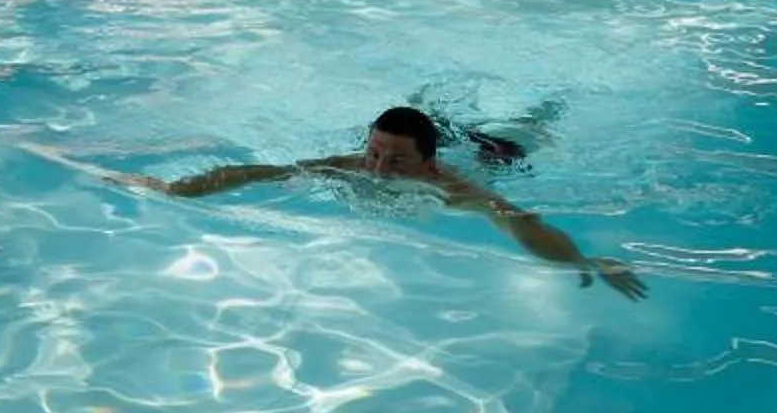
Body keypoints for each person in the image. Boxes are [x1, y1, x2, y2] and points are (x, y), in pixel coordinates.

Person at [125, 105, 648, 300]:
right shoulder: (353, 164)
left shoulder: (454, 188)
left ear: (428, 164)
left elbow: (519, 222)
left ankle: (545, 110)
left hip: (491, 154)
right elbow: (260, 173)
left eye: (394, 162)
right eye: (373, 153)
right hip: (435, 136)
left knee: (517, 135)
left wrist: (583, 260)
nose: (376, 170)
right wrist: (174, 188)